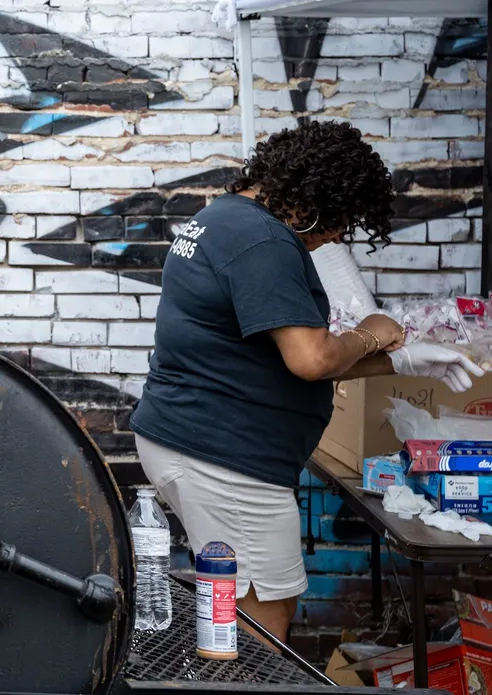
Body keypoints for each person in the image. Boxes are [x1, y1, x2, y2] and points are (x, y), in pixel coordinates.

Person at [132, 119, 482, 644]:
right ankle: (229, 684)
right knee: (260, 627)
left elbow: (269, 356)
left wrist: (401, 362)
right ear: (318, 199)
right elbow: (311, 359)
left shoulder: (224, 218)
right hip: (225, 460)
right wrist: (372, 332)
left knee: (232, 615)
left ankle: (214, 676)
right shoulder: (264, 240)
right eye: (341, 220)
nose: (337, 236)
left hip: (195, 444)